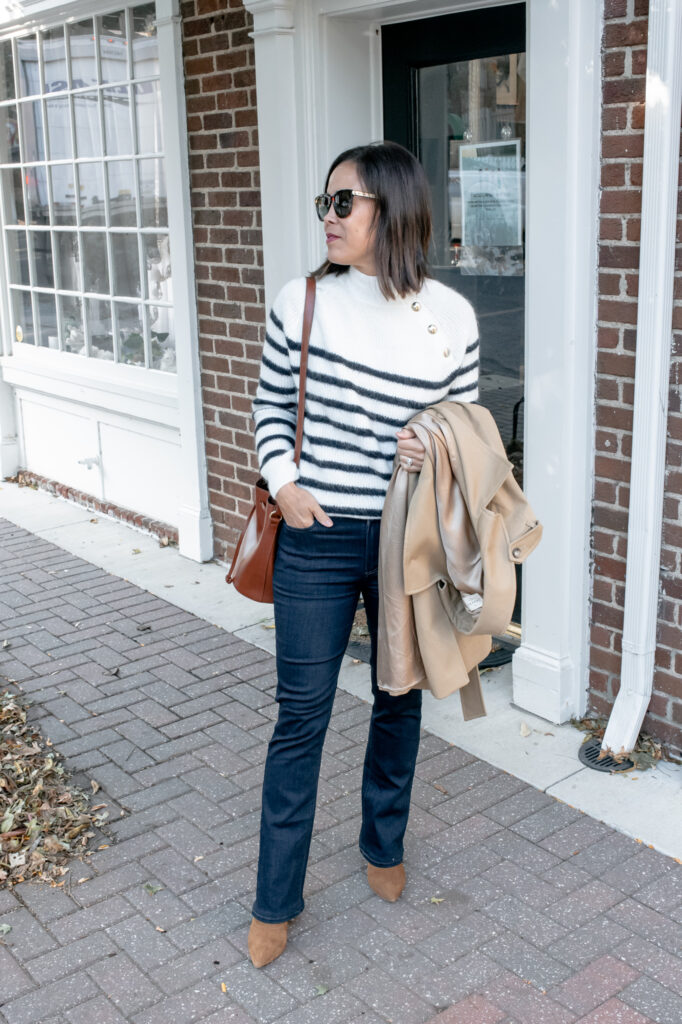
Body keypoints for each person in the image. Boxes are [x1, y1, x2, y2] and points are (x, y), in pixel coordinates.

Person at [248, 140, 480, 968]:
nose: (330, 216)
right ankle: (275, 899)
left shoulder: (452, 318)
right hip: (315, 536)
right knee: (300, 717)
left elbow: (470, 430)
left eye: (344, 202)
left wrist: (434, 443)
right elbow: (269, 406)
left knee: (397, 696)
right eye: (326, 202)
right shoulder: (304, 299)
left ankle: (383, 844)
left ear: (393, 207)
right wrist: (284, 484)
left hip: (404, 539)